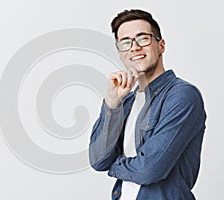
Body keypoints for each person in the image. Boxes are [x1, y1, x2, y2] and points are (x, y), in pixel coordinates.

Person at [88, 9, 206, 200]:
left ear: (161, 45)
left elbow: (149, 169)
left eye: (142, 38)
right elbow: (98, 160)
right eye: (126, 42)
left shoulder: (182, 95)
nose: (134, 47)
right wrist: (111, 104)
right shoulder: (125, 101)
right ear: (120, 53)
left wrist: (114, 165)